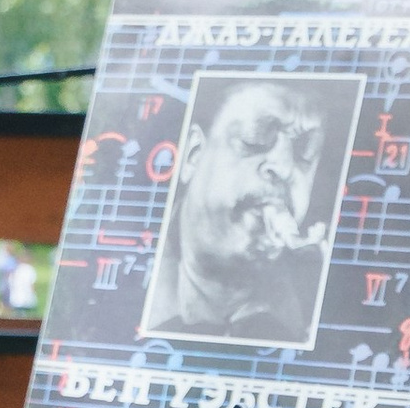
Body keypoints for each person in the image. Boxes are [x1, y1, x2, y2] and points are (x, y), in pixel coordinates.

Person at [139, 73, 342, 347]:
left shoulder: (323, 297)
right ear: (194, 154)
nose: (284, 168)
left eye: (305, 150)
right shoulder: (129, 274)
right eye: (255, 138)